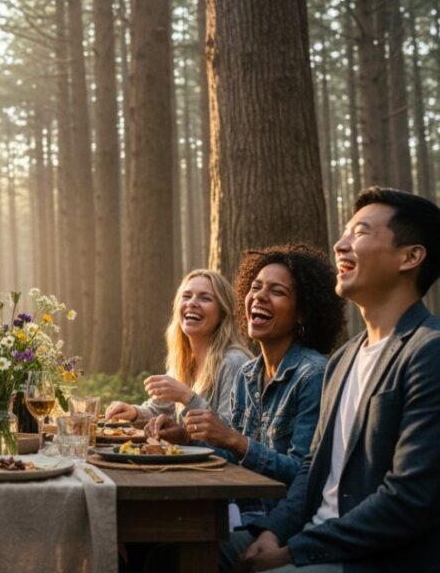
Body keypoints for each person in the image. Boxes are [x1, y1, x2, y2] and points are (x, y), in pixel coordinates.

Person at [222, 188, 440, 573]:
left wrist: (292, 552)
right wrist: (273, 533)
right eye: (344, 234)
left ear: (410, 257)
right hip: (305, 537)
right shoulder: (342, 360)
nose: (340, 245)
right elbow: (311, 470)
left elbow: (409, 499)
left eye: (360, 233)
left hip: (364, 559)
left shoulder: (427, 351)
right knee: (172, 552)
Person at [185, 245, 345, 522]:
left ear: (302, 314)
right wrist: (185, 438)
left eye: (277, 291)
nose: (259, 296)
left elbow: (303, 473)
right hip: (237, 513)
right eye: (255, 287)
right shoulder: (247, 374)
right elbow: (232, 457)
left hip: (278, 527)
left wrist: (235, 440)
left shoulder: (313, 374)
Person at [105, 269, 252, 438]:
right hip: (192, 463)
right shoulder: (184, 361)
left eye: (205, 298)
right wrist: (133, 412)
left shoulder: (234, 362)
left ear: (222, 313)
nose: (192, 303)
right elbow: (161, 410)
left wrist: (187, 397)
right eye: (187, 296)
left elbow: (231, 435)